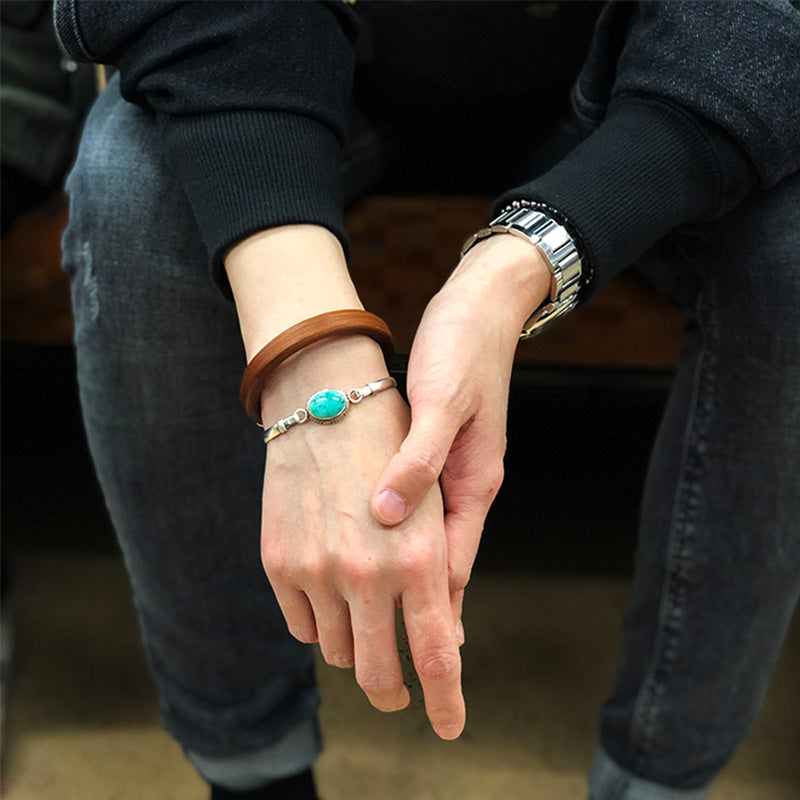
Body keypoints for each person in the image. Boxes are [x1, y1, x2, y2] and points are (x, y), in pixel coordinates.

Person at [53, 1, 800, 798]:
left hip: (642, 80)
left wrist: (514, 272)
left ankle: (660, 777)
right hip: (306, 60)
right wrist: (310, 346)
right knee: (127, 181)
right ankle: (252, 770)